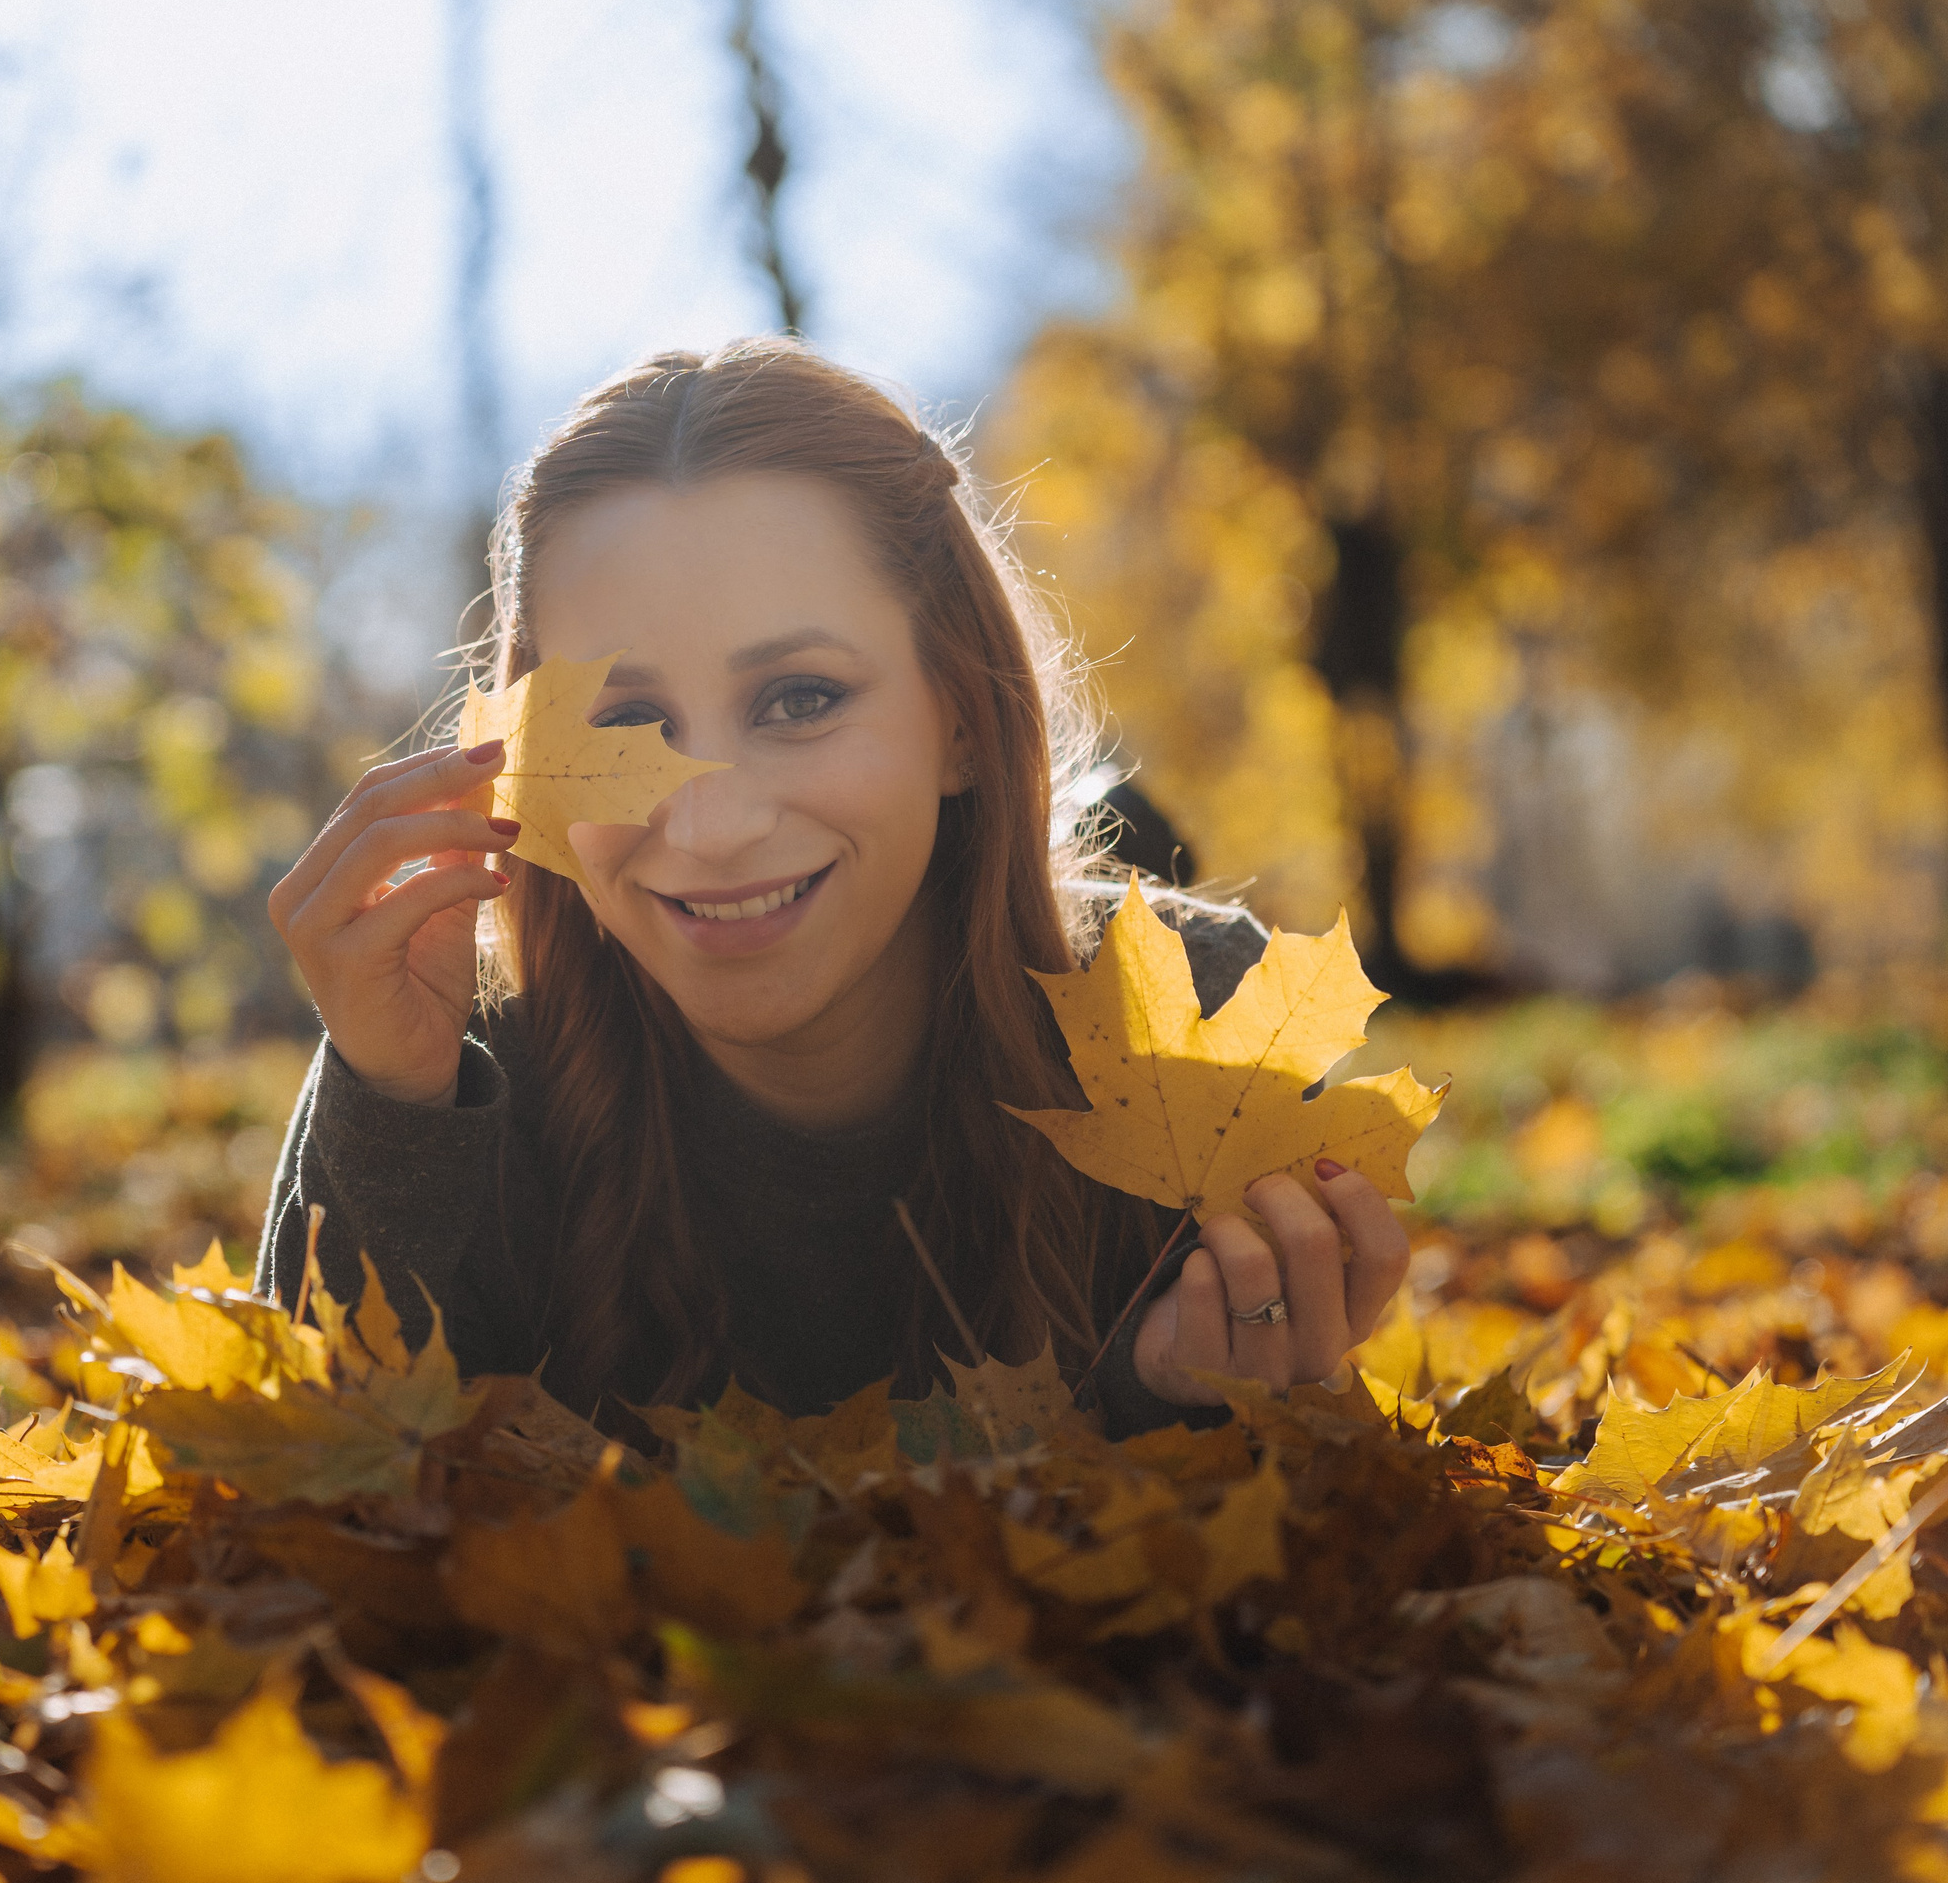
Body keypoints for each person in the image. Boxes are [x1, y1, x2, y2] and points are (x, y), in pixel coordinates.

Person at [257, 338, 1410, 1437]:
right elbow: (316, 1498)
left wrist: (1173, 1396)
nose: (710, 827)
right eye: (625, 721)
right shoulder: (469, 1085)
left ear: (960, 713)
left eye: (800, 698)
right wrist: (389, 1110)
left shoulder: (1195, 1038)